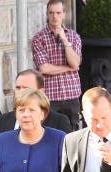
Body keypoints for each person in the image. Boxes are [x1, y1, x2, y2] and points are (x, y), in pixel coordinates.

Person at [32, 0, 82, 130]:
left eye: (58, 13)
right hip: (50, 97)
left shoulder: (73, 36)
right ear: (47, 14)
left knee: (73, 137)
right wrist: (68, 68)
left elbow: (75, 63)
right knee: (50, 135)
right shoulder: (39, 38)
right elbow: (44, 68)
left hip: (71, 94)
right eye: (51, 13)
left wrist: (65, 40)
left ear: (64, 14)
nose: (55, 17)